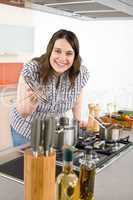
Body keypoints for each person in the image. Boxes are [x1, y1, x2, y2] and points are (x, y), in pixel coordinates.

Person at [10, 29, 89, 146]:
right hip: (26, 130)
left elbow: (77, 102)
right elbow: (23, 112)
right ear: (50, 51)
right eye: (58, 51)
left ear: (75, 56)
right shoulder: (32, 70)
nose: (62, 58)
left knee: (50, 163)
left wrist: (77, 127)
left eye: (68, 53)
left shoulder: (79, 73)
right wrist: (31, 103)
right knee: (26, 164)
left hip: (54, 132)